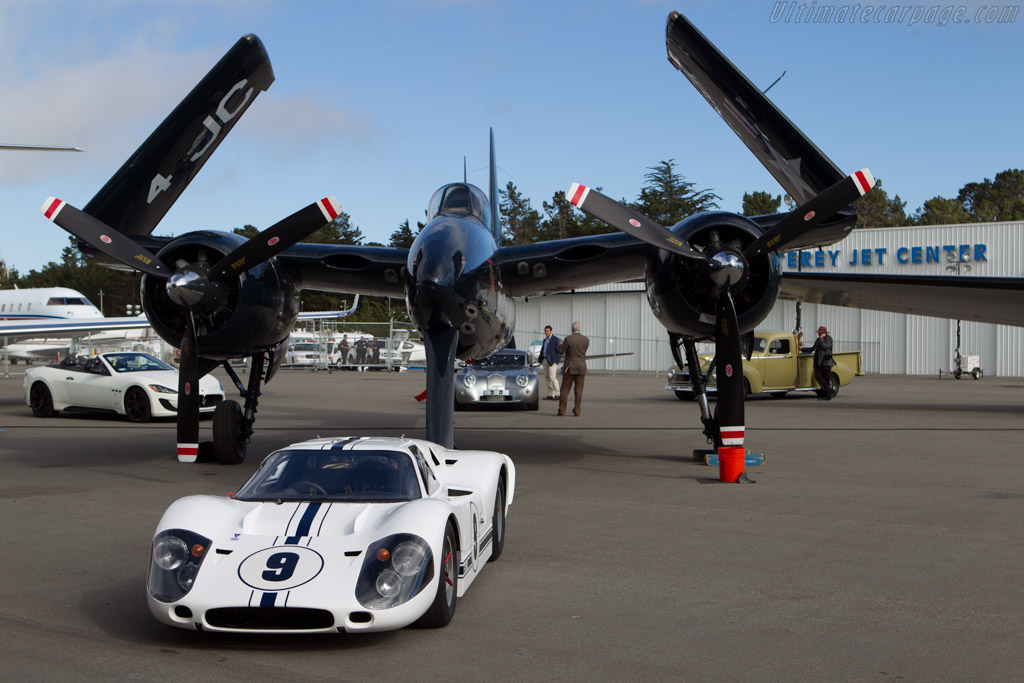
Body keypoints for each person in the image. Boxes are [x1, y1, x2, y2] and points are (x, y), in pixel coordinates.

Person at [557, 321, 589, 416]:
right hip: (581, 367)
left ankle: (562, 410)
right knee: (579, 390)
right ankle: (577, 410)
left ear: (572, 329)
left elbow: (561, 351)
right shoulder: (586, 340)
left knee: (565, 390)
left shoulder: (568, 339)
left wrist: (560, 345)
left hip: (569, 367)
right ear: (580, 329)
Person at [810, 325, 836, 400]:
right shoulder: (818, 340)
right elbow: (812, 348)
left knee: (826, 378)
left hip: (826, 362)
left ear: (824, 333)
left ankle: (827, 395)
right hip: (818, 362)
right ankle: (828, 390)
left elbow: (826, 346)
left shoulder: (829, 339)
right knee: (817, 376)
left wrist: (821, 339)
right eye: (818, 333)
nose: (819, 334)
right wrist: (801, 349)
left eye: (820, 333)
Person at [539, 325, 562, 400]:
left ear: (551, 331)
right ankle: (550, 393)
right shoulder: (544, 340)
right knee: (547, 377)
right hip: (545, 360)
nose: (546, 332)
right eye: (545, 331)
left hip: (552, 361)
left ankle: (558, 394)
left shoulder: (555, 339)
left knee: (552, 377)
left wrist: (556, 361)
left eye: (547, 331)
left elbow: (559, 351)